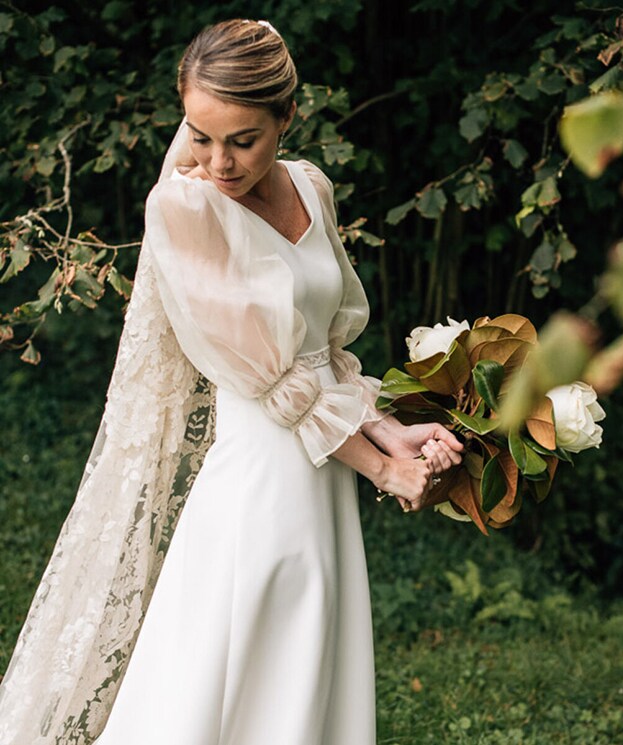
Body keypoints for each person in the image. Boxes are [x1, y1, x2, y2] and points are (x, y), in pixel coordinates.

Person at [0, 19, 462, 744]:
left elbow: (324, 356)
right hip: (259, 475)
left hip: (323, 471)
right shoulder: (184, 209)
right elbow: (271, 378)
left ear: (287, 116)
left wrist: (387, 426)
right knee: (223, 671)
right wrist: (383, 470)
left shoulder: (312, 186)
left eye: (242, 139)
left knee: (306, 679)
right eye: (199, 134)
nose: (217, 160)